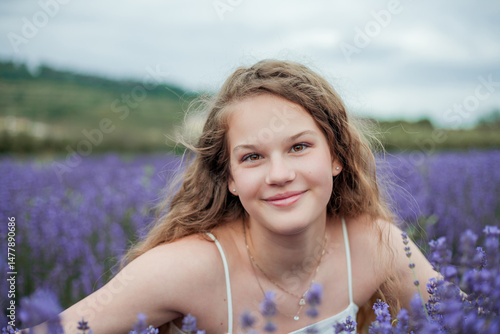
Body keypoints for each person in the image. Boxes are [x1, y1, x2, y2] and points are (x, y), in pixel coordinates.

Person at [40, 59, 437, 334]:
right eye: (252, 157)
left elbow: (473, 318)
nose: (280, 175)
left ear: (336, 156)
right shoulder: (190, 268)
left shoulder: (374, 244)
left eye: (299, 147)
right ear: (229, 177)